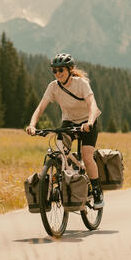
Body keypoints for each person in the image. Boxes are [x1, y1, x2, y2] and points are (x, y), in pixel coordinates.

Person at [25, 53, 104, 208]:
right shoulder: (53, 87)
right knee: (60, 150)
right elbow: (40, 107)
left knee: (87, 156)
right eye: (54, 71)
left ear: (70, 69)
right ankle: (65, 177)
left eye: (61, 70)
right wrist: (32, 125)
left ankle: (96, 191)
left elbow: (92, 106)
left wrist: (89, 122)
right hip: (69, 122)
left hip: (88, 121)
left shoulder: (81, 84)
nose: (58, 73)